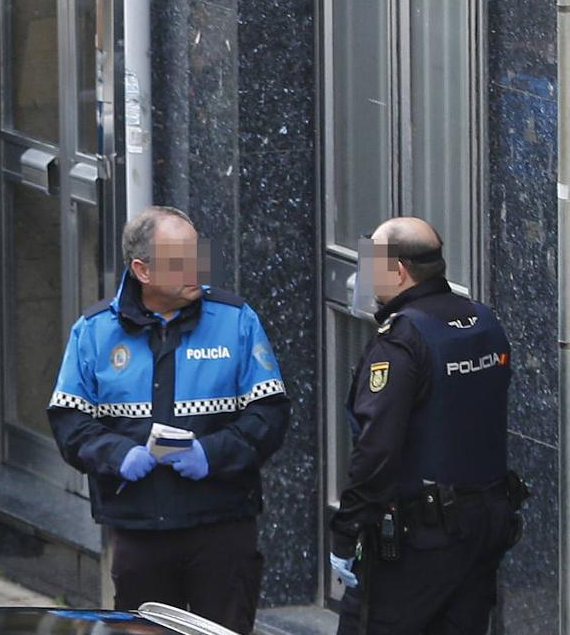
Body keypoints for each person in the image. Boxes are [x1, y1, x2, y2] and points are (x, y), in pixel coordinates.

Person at [47, 206, 290, 631]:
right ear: (142, 269)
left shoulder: (235, 321)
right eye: (180, 262)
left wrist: (211, 454)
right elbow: (70, 421)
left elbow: (269, 413)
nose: (195, 269)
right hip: (140, 529)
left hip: (221, 524)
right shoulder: (95, 332)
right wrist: (117, 453)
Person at [330, 217, 527, 635]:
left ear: (397, 270)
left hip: (419, 540)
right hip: (484, 526)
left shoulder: (403, 338)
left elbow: (376, 448)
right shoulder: (483, 321)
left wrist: (346, 533)